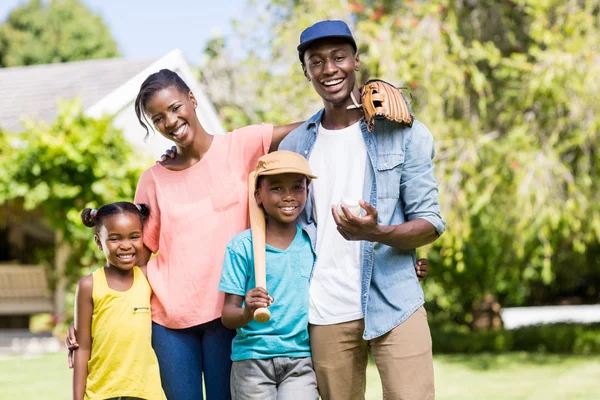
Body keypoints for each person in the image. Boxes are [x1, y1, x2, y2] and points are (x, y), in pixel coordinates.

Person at [277, 20, 445, 400]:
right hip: (324, 308)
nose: (329, 69)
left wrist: (378, 233)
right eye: (316, 61)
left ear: (356, 62)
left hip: (395, 301)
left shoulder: (403, 132)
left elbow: (430, 223)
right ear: (306, 72)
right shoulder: (293, 144)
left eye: (339, 57)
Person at [219, 150, 319, 400]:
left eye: (297, 187)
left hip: (300, 360)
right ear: (258, 196)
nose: (288, 196)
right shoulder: (242, 247)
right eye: (276, 188)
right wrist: (247, 311)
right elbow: (227, 316)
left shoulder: (313, 242)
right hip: (252, 360)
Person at [73, 202, 166, 400]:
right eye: (115, 238)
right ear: (98, 242)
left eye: (134, 237)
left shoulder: (149, 277)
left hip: (145, 392)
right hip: (101, 392)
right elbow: (82, 348)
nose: (126, 245)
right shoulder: (89, 285)